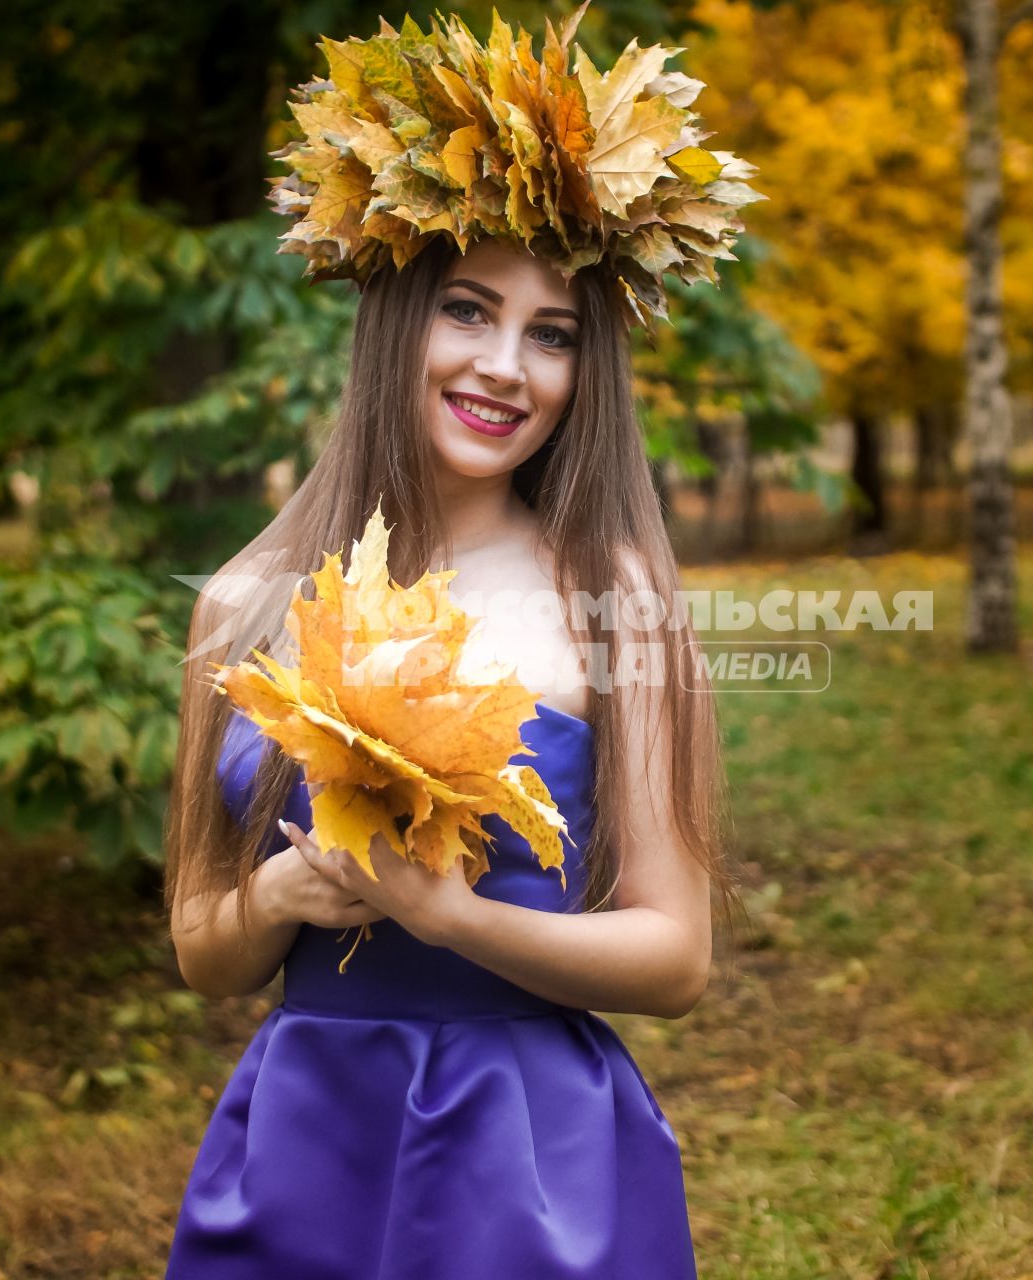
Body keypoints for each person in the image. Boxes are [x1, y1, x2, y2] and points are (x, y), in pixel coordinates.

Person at [159, 8, 758, 1276]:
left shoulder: (617, 593)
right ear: (394, 321)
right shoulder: (247, 600)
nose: (507, 367)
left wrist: (450, 918)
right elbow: (204, 947)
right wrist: (280, 892)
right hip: (305, 1151)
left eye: (551, 334)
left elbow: (675, 953)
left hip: (527, 1164)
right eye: (468, 311)